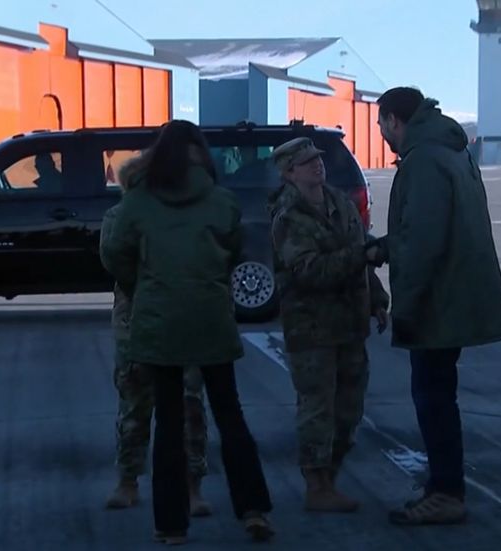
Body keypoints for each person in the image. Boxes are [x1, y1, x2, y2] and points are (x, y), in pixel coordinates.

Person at [100, 120, 274, 545]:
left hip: (160, 322)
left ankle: (171, 524)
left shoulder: (138, 202)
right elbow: (232, 251)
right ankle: (253, 509)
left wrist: (144, 285)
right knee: (229, 415)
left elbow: (114, 255)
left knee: (168, 422)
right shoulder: (222, 201)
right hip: (210, 317)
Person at [370, 87, 501, 525]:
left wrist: (408, 308)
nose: (381, 134)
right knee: (438, 394)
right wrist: (384, 248)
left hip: (438, 300)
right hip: (454, 293)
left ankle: (447, 491)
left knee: (433, 398)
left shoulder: (425, 160)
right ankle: (441, 485)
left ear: (395, 119)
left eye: (381, 124)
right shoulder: (451, 149)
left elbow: (423, 242)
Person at [268, 137, 390, 513]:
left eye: (317, 160)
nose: (317, 166)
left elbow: (361, 250)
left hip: (350, 323)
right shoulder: (288, 215)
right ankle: (316, 484)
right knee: (318, 408)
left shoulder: (339, 202)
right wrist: (361, 256)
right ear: (289, 173)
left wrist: (378, 298)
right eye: (306, 163)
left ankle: (330, 478)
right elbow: (308, 271)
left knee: (349, 407)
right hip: (312, 328)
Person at [100, 167, 214, 516]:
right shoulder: (118, 218)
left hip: (183, 321)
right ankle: (128, 480)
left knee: (190, 404)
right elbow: (116, 262)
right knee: (134, 403)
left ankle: (192, 486)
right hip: (137, 323)